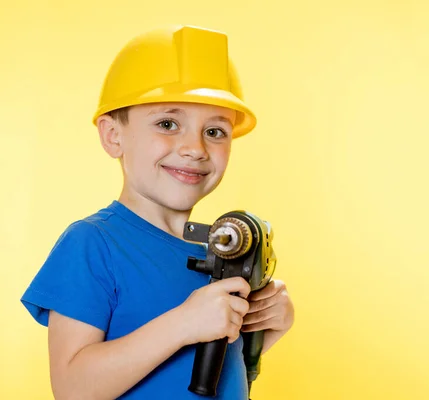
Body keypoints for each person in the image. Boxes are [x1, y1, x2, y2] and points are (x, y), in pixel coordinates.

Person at [20, 25, 294, 400]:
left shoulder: (221, 251)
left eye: (215, 131)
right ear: (113, 136)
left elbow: (210, 376)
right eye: (168, 123)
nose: (195, 148)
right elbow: (73, 389)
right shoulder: (93, 243)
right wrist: (183, 323)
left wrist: (263, 330)